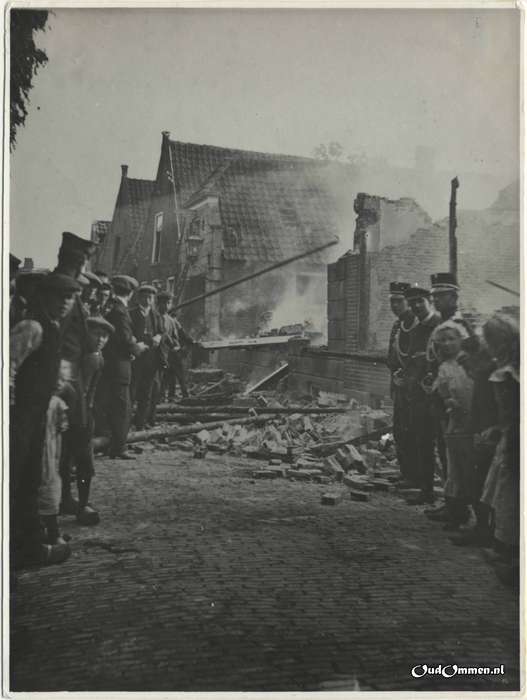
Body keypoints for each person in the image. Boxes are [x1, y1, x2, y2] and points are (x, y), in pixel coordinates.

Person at [11, 272, 81, 568]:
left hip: (38, 416)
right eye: (59, 297)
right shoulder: (33, 326)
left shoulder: (52, 327)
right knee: (13, 481)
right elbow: (7, 365)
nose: (64, 303)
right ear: (45, 297)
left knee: (31, 480)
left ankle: (27, 545)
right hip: (20, 418)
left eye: (70, 298)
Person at [52, 232, 99, 519]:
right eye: (82, 262)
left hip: (68, 379)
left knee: (68, 446)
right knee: (79, 442)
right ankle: (80, 504)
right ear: (78, 262)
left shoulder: (63, 289)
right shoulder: (61, 292)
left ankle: (67, 499)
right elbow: (58, 343)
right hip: (66, 381)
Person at [480, 314, 520, 586]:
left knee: (511, 498)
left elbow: (513, 413)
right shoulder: (506, 368)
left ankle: (513, 561)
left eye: (493, 342)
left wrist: (506, 431)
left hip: (516, 443)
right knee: (506, 496)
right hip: (510, 437)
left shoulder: (510, 375)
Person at [449, 336, 499, 547]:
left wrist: (479, 431)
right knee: (477, 483)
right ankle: (483, 528)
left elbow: (489, 410)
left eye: (467, 364)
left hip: (490, 438)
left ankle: (486, 531)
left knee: (484, 485)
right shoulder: (481, 375)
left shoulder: (490, 377)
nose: (466, 370)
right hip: (479, 435)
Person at [432, 321, 475, 530]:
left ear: (461, 340)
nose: (447, 344)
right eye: (443, 341)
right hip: (455, 423)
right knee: (455, 468)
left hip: (473, 422)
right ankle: (457, 513)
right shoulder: (444, 367)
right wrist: (448, 402)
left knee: (471, 469)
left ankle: (480, 521)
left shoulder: (470, 363)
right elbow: (443, 394)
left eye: (451, 339)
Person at [403, 284, 441, 505]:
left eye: (420, 301)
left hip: (438, 395)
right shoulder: (416, 330)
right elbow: (412, 361)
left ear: (430, 302)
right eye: (412, 303)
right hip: (419, 397)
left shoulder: (440, 326)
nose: (416, 306)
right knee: (423, 443)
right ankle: (427, 491)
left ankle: (454, 501)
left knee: (444, 447)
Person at [102, 275, 146, 458]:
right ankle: (118, 448)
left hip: (111, 364)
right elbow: (126, 340)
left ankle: (110, 444)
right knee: (122, 408)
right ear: (131, 293)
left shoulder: (113, 308)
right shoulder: (121, 311)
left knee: (113, 406)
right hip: (119, 366)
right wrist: (138, 348)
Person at [385, 281, 416, 486]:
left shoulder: (414, 324)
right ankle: (406, 473)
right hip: (399, 387)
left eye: (399, 301)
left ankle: (415, 477)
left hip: (412, 389)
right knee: (399, 430)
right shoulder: (398, 325)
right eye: (392, 301)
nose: (394, 305)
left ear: (408, 302)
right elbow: (392, 358)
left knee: (411, 431)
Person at [130, 285, 164, 430]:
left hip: (151, 358)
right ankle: (127, 422)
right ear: (139, 298)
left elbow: (161, 331)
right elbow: (127, 332)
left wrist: (158, 337)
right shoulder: (131, 313)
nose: (147, 300)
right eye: (144, 297)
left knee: (147, 392)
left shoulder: (156, 315)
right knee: (132, 390)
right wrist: (133, 343)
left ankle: (140, 422)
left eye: (150, 297)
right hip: (135, 357)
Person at [158, 291, 195, 401]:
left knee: (178, 374)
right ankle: (160, 397)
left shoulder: (171, 320)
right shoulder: (154, 317)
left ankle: (182, 396)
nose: (166, 306)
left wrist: (181, 345)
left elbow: (178, 335)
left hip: (171, 353)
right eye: (163, 303)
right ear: (158, 304)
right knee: (162, 377)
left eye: (168, 303)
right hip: (159, 353)